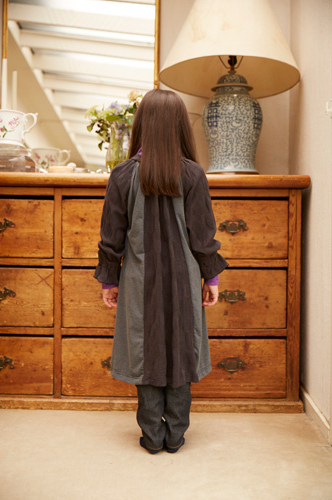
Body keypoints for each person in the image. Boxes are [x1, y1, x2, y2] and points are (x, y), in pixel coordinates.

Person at [93, 88, 228, 454]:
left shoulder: (122, 175)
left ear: (142, 126)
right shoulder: (193, 174)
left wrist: (109, 280)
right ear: (180, 127)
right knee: (182, 347)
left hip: (138, 281)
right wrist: (211, 277)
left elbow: (111, 236)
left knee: (144, 347)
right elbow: (203, 235)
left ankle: (152, 436)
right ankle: (176, 435)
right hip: (185, 280)